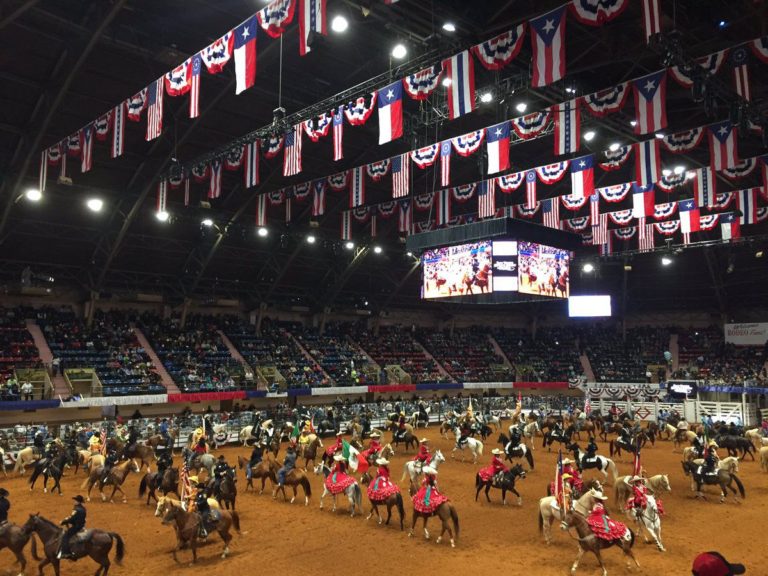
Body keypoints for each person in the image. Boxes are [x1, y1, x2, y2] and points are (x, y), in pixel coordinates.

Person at [58, 495, 86, 560]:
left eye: (75, 500)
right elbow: (75, 517)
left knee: (65, 536)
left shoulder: (76, 509)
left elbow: (72, 518)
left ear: (78, 502)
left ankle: (66, 553)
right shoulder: (83, 508)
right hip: (81, 525)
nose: (74, 501)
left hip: (77, 526)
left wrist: (63, 522)